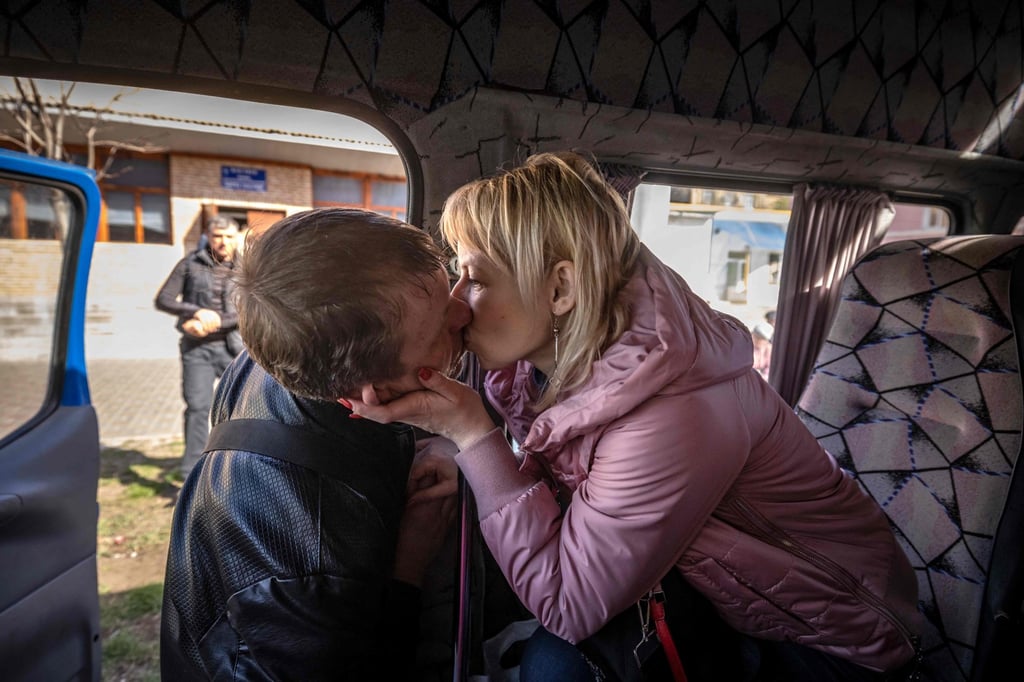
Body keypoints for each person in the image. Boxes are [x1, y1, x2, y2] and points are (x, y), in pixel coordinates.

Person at [349, 152, 923, 681]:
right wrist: (473, 459)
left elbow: (567, 604)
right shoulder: (553, 363)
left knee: (558, 664)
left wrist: (475, 439)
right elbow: (581, 476)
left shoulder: (677, 412)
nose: (457, 299)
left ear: (561, 289)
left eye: (475, 277)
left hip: (828, 640)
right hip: (723, 593)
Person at [160, 208, 468, 680]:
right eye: (441, 329)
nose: (464, 310)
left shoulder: (282, 358)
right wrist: (410, 561)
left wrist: (439, 442)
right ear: (375, 394)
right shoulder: (311, 572)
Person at [155, 215, 245, 478]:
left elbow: (250, 308)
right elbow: (164, 299)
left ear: (236, 237)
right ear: (208, 235)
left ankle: (237, 468)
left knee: (241, 409)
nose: (223, 242)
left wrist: (215, 321)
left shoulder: (247, 269)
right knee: (197, 408)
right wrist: (196, 312)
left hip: (235, 349)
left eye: (229, 236)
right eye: (218, 236)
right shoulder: (189, 264)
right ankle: (192, 475)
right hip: (197, 349)